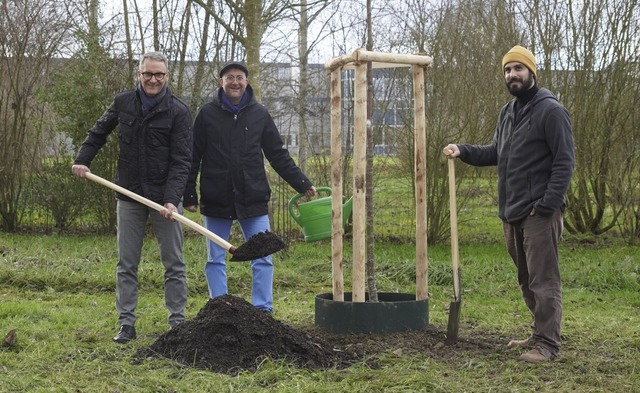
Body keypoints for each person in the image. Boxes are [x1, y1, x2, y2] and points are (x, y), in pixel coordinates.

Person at [443, 45, 575, 363]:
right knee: (526, 278)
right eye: (507, 70)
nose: (512, 75)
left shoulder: (551, 111)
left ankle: (547, 345)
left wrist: (547, 205)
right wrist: (462, 149)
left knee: (543, 280)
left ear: (532, 72)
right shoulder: (508, 112)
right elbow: (496, 152)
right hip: (512, 211)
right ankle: (538, 332)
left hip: (539, 213)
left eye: (518, 68)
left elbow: (564, 161)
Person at [72, 52, 193, 343]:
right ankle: (127, 324)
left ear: (167, 77)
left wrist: (171, 199)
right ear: (138, 74)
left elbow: (182, 160)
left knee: (174, 263)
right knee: (127, 263)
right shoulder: (123, 102)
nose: (153, 80)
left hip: (165, 198)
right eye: (147, 74)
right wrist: (83, 159)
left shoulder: (178, 111)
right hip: (128, 195)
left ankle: (177, 324)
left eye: (159, 75)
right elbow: (98, 132)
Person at [184, 61, 316, 313]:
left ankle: (262, 310)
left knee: (263, 258)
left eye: (240, 77)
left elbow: (278, 154)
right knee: (215, 259)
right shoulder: (206, 114)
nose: (235, 82)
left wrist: (302, 183)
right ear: (221, 82)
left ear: (247, 81)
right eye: (229, 77)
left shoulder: (260, 114)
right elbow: (193, 156)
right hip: (216, 198)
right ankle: (219, 309)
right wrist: (189, 193)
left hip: (253, 198)